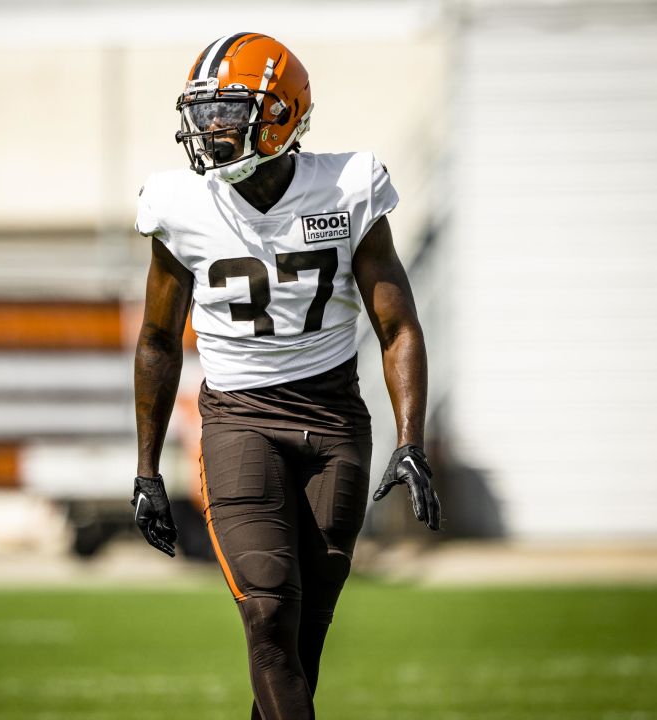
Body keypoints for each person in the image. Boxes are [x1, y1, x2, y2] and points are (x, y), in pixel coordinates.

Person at [130, 32, 442, 719]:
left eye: (228, 112)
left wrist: (410, 440)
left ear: (280, 115)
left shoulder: (348, 186)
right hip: (239, 420)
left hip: (334, 422)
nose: (210, 131)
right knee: (268, 610)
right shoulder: (179, 204)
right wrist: (148, 468)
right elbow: (157, 339)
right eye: (203, 113)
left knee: (302, 637)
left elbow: (398, 326)